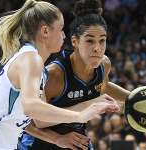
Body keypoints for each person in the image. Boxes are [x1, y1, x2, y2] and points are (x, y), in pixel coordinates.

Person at [0, 0, 118, 149]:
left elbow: (33, 119)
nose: (64, 35)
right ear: (45, 31)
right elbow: (31, 107)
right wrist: (81, 115)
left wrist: (56, 139)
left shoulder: (37, 65)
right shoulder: (31, 59)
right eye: (61, 28)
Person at [20, 0, 131, 149]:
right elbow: (31, 121)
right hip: (40, 141)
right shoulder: (55, 74)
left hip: (76, 139)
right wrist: (58, 138)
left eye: (102, 40)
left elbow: (102, 87)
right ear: (75, 41)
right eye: (90, 41)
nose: (97, 48)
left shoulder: (104, 64)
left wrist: (134, 98)